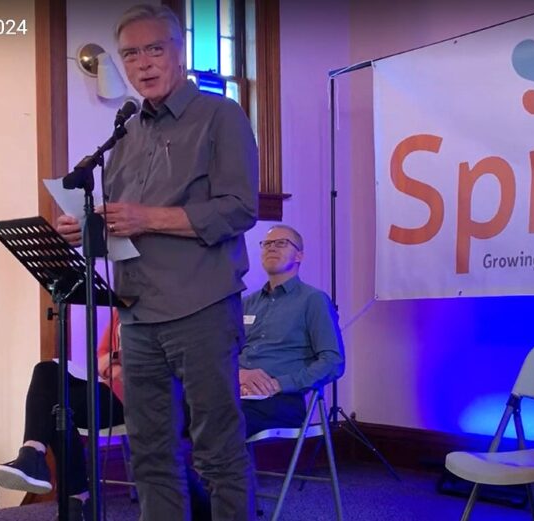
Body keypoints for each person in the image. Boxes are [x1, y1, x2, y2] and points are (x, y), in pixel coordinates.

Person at [55, 4, 259, 520]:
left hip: (202, 308)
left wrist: (149, 217)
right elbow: (125, 227)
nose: (142, 63)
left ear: (179, 52)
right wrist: (88, 230)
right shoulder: (124, 133)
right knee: (147, 453)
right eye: (130, 54)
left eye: (154, 49)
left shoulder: (221, 115)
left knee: (217, 448)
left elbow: (239, 210)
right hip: (137, 315)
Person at [0, 317, 125, 516]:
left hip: (132, 400)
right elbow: (101, 358)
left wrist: (115, 364)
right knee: (45, 372)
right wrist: (116, 362)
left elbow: (144, 359)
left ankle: (73, 494)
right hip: (106, 386)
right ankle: (32, 452)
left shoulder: (160, 309)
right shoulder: (117, 309)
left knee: (53, 404)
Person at [237, 224, 346, 436]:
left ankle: (218, 469)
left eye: (281, 243)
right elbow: (224, 353)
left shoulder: (313, 300)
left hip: (279, 400)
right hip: (236, 393)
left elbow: (333, 362)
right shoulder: (246, 303)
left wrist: (278, 384)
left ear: (299, 256)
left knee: (218, 420)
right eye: (267, 244)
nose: (272, 248)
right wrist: (239, 374)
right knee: (173, 410)